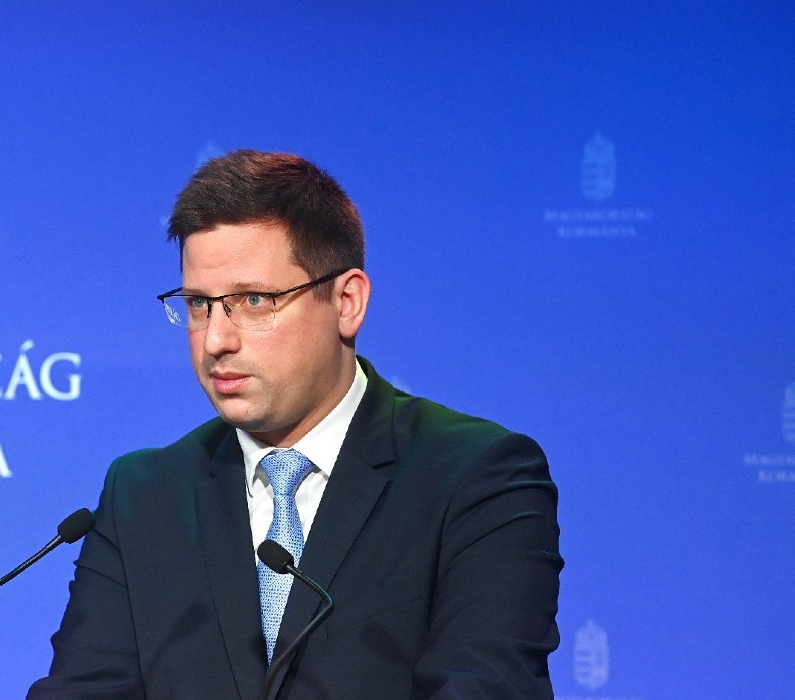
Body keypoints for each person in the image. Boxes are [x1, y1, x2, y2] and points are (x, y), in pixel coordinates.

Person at [28, 150, 562, 699]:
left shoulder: (477, 476)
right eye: (198, 304)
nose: (216, 340)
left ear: (347, 302)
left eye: (254, 300)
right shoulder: (145, 496)